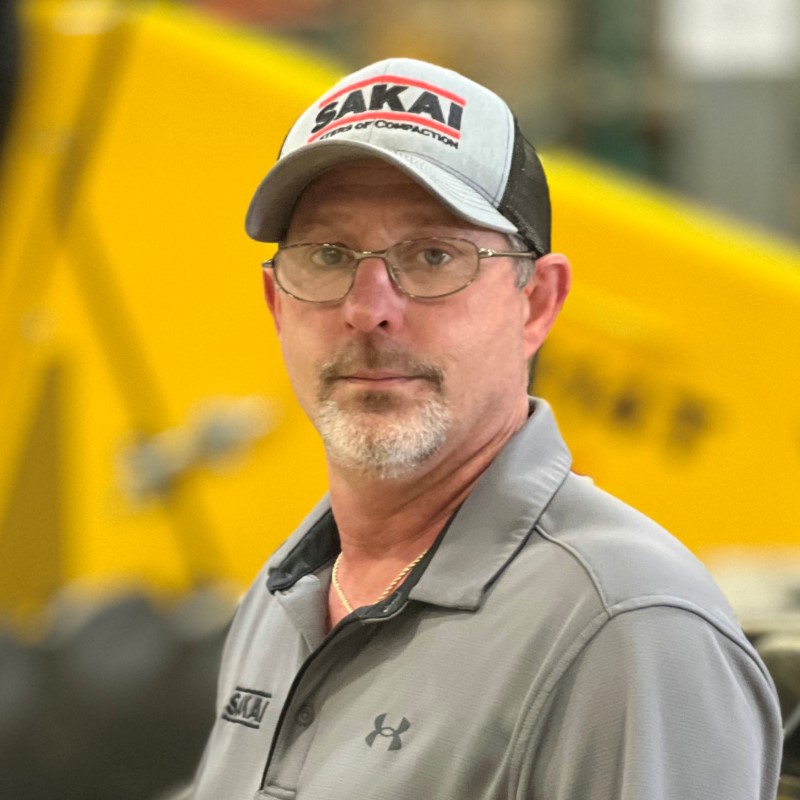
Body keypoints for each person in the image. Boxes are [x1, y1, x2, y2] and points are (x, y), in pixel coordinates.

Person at [189, 58, 782, 799]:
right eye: (329, 255)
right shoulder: (288, 597)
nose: (370, 308)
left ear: (537, 304)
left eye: (434, 256)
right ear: (278, 306)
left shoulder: (623, 632)